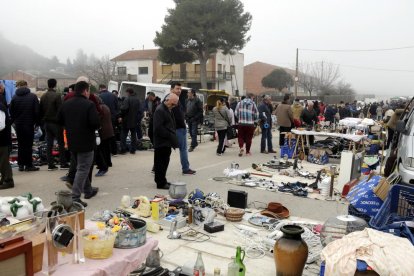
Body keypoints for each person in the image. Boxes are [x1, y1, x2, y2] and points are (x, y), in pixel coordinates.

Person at [57, 81, 100, 207]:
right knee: (83, 168)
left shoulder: (66, 103)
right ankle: (75, 197)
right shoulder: (89, 104)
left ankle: (88, 190)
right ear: (86, 91)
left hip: (72, 141)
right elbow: (95, 123)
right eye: (89, 91)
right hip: (86, 142)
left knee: (82, 167)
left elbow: (58, 120)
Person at [10, 80, 40, 172]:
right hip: (29, 124)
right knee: (28, 145)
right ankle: (29, 165)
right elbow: (37, 111)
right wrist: (37, 122)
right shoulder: (33, 96)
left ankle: (20, 165)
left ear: (18, 86)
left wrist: (15, 121)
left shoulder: (14, 97)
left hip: (18, 125)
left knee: (21, 144)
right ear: (26, 85)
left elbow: (12, 112)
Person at [39, 78, 69, 171]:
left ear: (48, 85)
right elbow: (61, 110)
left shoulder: (43, 96)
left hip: (46, 123)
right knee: (60, 143)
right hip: (56, 123)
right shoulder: (57, 96)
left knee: (49, 144)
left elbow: (40, 110)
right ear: (55, 85)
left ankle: (50, 165)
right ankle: (63, 163)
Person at [153, 93, 179, 189]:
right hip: (161, 142)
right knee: (160, 163)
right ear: (167, 100)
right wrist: (169, 136)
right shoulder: (160, 110)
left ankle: (163, 180)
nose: (174, 106)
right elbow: (158, 128)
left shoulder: (167, 109)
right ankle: (160, 183)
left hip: (166, 141)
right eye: (173, 104)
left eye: (175, 105)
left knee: (164, 162)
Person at [170, 82, 196, 175]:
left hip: (175, 127)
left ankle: (156, 168)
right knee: (183, 149)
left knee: (166, 149)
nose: (179, 91)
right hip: (178, 128)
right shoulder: (172, 99)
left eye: (180, 89)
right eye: (177, 88)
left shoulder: (176, 98)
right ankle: (185, 169)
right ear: (172, 89)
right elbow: (176, 115)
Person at [95, 97, 114, 177]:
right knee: (106, 148)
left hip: (103, 131)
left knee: (102, 149)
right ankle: (108, 162)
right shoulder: (105, 106)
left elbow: (98, 119)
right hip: (109, 130)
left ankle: (104, 164)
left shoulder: (100, 108)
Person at [98, 84, 119, 155]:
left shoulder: (99, 96)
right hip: (112, 117)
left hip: (103, 118)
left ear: (100, 88)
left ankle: (106, 151)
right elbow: (117, 107)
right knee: (112, 134)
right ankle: (114, 150)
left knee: (104, 136)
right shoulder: (113, 95)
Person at [119, 88, 141, 154]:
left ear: (128, 92)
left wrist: (121, 114)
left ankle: (123, 149)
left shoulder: (127, 99)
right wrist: (138, 119)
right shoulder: (138, 100)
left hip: (126, 120)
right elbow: (140, 111)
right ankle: (133, 149)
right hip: (135, 120)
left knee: (123, 135)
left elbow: (124, 108)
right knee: (133, 135)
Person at [0, 100, 14, 189]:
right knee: (2, 160)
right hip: (2, 139)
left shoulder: (0, 108)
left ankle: (8, 180)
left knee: (3, 161)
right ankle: (4, 178)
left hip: (2, 139)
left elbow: (1, 125)